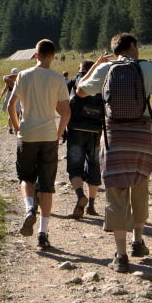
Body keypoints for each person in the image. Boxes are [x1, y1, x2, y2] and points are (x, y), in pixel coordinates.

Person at [76, 32, 152, 273]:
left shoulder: (106, 69)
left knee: (116, 192)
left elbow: (79, 91)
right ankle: (137, 241)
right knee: (139, 186)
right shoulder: (148, 69)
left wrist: (96, 66)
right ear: (132, 46)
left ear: (115, 49)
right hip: (141, 136)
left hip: (114, 138)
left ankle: (120, 255)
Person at [8, 39, 71, 249]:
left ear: (36, 55)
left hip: (27, 135)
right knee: (47, 186)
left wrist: (18, 128)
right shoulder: (58, 79)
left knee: (26, 177)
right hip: (48, 136)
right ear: (53, 55)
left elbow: (11, 105)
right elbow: (66, 112)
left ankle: (28, 209)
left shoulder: (23, 76)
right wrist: (59, 133)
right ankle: (43, 233)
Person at [66, 59, 103, 218]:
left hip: (75, 129)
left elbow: (63, 103)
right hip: (95, 130)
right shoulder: (101, 82)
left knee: (75, 166)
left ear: (80, 68)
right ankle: (92, 206)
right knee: (94, 165)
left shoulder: (74, 81)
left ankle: (81, 195)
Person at [0, 68, 21, 134]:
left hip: (12, 96)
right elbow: (5, 89)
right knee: (17, 113)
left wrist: (0, 98)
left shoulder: (9, 80)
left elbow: (5, 89)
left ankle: (11, 128)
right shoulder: (18, 80)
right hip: (16, 96)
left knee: (12, 113)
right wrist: (0, 98)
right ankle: (13, 128)